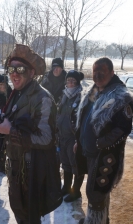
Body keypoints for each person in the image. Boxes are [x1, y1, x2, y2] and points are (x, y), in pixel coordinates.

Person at [0, 44, 62, 224]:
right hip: (16, 170)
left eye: (20, 69)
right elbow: (14, 124)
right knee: (20, 213)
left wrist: (10, 131)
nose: (14, 74)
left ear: (31, 73)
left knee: (29, 217)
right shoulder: (18, 95)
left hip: (32, 173)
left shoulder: (42, 98)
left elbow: (46, 139)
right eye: (11, 69)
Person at [74, 57, 133, 224]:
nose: (97, 75)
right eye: (95, 71)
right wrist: (78, 141)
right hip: (89, 152)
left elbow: (124, 128)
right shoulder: (95, 91)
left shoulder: (121, 96)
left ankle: (94, 222)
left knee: (96, 192)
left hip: (104, 154)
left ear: (111, 72)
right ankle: (102, 221)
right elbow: (84, 118)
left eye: (102, 71)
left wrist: (102, 143)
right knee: (100, 192)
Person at [57, 70, 85, 202]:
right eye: (68, 80)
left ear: (77, 83)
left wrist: (78, 140)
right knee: (66, 164)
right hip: (62, 136)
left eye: (73, 81)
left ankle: (76, 191)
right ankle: (66, 188)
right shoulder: (64, 96)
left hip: (73, 138)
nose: (70, 83)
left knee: (76, 165)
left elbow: (84, 121)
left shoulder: (81, 98)